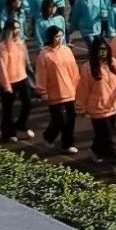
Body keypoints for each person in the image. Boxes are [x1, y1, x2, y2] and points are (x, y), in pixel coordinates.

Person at [76, 37, 116, 174]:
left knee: (102, 134)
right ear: (95, 50)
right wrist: (81, 107)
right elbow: (83, 89)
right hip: (97, 109)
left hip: (112, 107)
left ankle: (94, 150)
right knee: (108, 138)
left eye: (106, 49)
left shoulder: (113, 63)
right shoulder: (88, 68)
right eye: (100, 49)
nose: (103, 52)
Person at [36, 26, 79, 154]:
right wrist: (43, 91)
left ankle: (67, 144)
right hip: (54, 93)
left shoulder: (67, 50)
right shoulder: (44, 54)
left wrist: (77, 85)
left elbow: (74, 70)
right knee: (59, 120)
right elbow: (41, 74)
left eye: (61, 36)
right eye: (57, 36)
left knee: (71, 119)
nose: (60, 38)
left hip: (69, 91)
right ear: (51, 37)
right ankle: (48, 136)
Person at [0, 19, 35, 142]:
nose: (17, 30)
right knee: (8, 109)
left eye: (18, 28)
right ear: (9, 30)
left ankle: (20, 124)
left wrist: (29, 71)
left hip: (22, 77)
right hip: (9, 81)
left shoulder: (20, 42)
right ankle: (8, 133)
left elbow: (25, 60)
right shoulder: (3, 46)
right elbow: (2, 67)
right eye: (15, 28)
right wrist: (6, 85)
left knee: (28, 103)